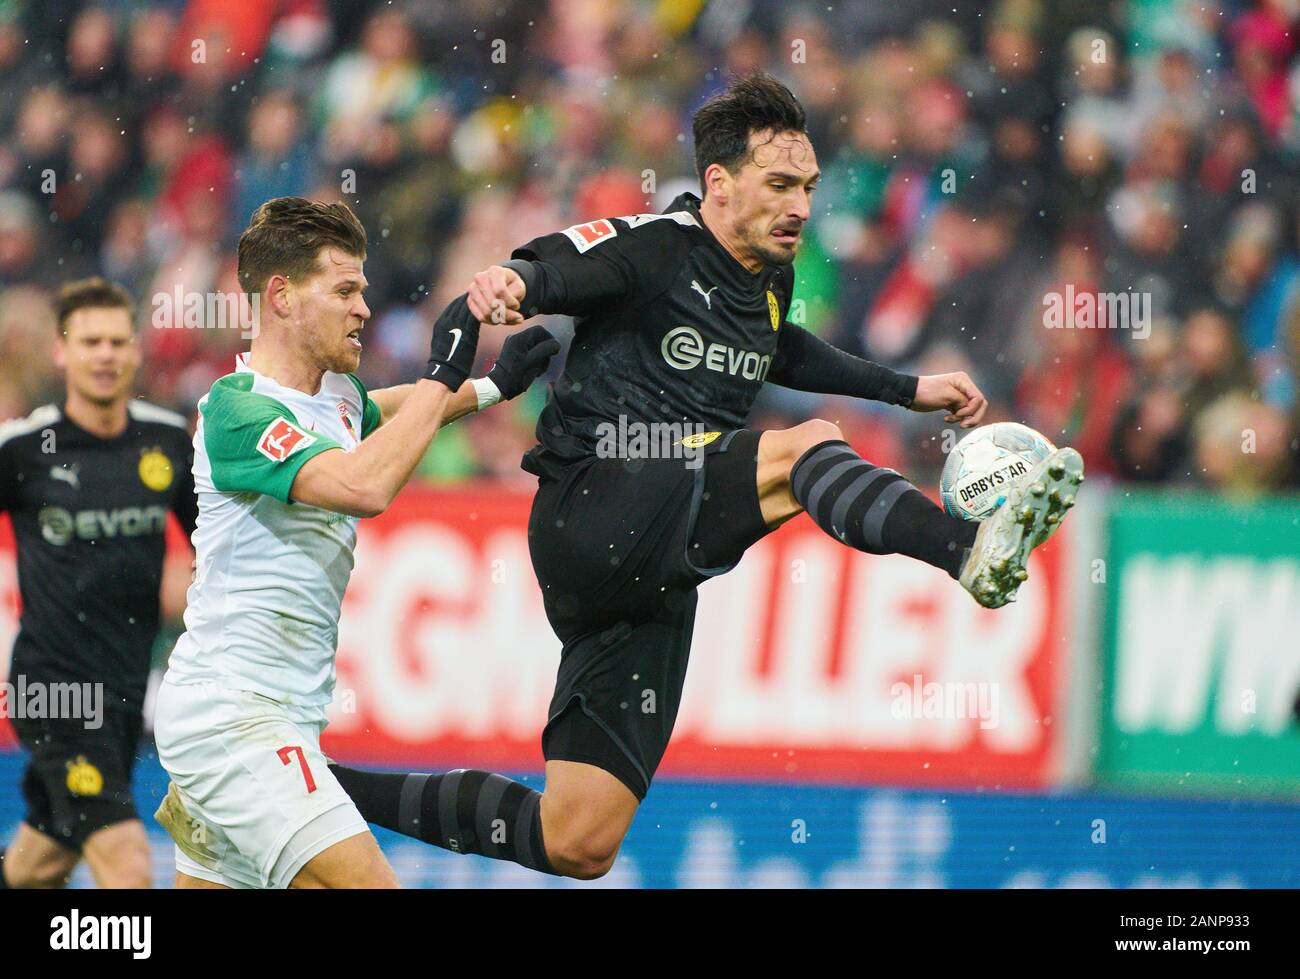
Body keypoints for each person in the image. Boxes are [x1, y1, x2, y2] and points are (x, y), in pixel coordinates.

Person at [329, 73, 1085, 881]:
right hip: (595, 498)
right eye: (780, 184)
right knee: (805, 448)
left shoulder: (770, 278)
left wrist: (906, 388)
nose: (800, 205)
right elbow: (555, 266)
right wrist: (513, 283)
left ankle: (322, 795)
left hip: (643, 576)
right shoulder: (656, 245)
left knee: (578, 839)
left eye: (809, 187)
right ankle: (964, 547)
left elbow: (781, 349)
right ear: (719, 184)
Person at [150, 197, 557, 889]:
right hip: (235, 720)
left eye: (363, 290)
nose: (364, 308)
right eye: (343, 290)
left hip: (275, 717)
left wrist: (491, 385)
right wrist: (443, 371)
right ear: (280, 296)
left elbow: (380, 413)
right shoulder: (236, 410)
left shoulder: (335, 395)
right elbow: (364, 483)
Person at [0, 277, 196, 889]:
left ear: (137, 349)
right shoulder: (23, 450)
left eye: (117, 341)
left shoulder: (166, 440)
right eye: (90, 342)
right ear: (62, 352)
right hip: (49, 688)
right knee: (127, 862)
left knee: (42, 860)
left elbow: (214, 548)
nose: (105, 355)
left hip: (124, 691)